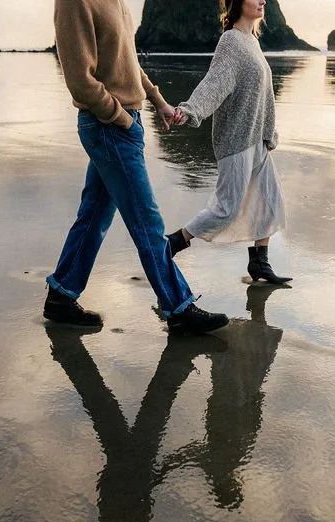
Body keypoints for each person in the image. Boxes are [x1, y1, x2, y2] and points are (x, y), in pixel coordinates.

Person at [45, 0, 229, 334]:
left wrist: (158, 102)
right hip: (109, 126)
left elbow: (128, 64)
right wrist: (120, 120)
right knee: (147, 222)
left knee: (95, 215)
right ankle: (179, 307)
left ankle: (61, 294)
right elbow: (79, 80)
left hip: (124, 124)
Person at [167, 0, 293, 285]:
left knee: (271, 202)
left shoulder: (252, 42)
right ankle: (173, 243)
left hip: (257, 140)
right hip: (236, 140)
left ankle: (259, 263)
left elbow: (266, 94)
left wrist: (270, 133)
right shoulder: (231, 41)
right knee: (227, 208)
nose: (262, 0)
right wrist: (189, 111)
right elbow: (215, 83)